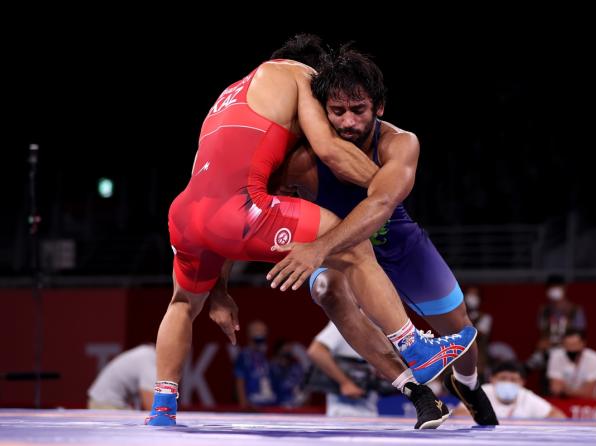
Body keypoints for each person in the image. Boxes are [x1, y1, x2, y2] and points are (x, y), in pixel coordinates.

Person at [146, 34, 472, 428]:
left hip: (186, 214)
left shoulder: (230, 92)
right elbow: (330, 151)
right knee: (349, 246)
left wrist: (220, 289)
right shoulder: (299, 76)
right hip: (241, 210)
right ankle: (414, 346)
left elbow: (219, 207)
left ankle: (162, 408)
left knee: (181, 304)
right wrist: (384, 192)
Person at [271, 45, 497, 425]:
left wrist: (317, 248)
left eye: (358, 109)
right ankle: (417, 391)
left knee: (460, 328)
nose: (347, 122)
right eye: (337, 111)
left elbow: (380, 206)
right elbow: (252, 201)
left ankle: (468, 384)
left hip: (395, 238)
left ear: (379, 107)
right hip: (338, 251)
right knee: (327, 291)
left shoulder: (400, 143)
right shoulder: (301, 159)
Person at [307, 321, 380, 417]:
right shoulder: (343, 320)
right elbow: (316, 351)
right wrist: (345, 383)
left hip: (370, 408)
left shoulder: (380, 322)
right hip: (342, 411)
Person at [454, 361, 565, 420]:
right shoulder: (481, 392)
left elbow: (558, 416)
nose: (508, 382)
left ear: (522, 382)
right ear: (492, 379)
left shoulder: (526, 396)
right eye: (503, 378)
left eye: (513, 379)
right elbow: (459, 414)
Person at [87, 344, 155, 410]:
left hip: (102, 400)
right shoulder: (148, 357)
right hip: (105, 403)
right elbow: (150, 404)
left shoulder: (145, 353)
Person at [548, 329, 596, 399]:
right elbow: (556, 388)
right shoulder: (556, 356)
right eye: (567, 345)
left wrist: (565, 391)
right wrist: (579, 392)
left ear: (583, 343)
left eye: (574, 345)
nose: (571, 349)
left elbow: (588, 392)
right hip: (563, 403)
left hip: (588, 404)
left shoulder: (594, 358)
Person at [234, 321, 276, 408]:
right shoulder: (244, 356)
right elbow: (240, 382)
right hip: (253, 405)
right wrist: (244, 406)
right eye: (257, 330)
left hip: (270, 404)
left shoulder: (268, 355)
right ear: (249, 334)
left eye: (263, 330)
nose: (261, 333)